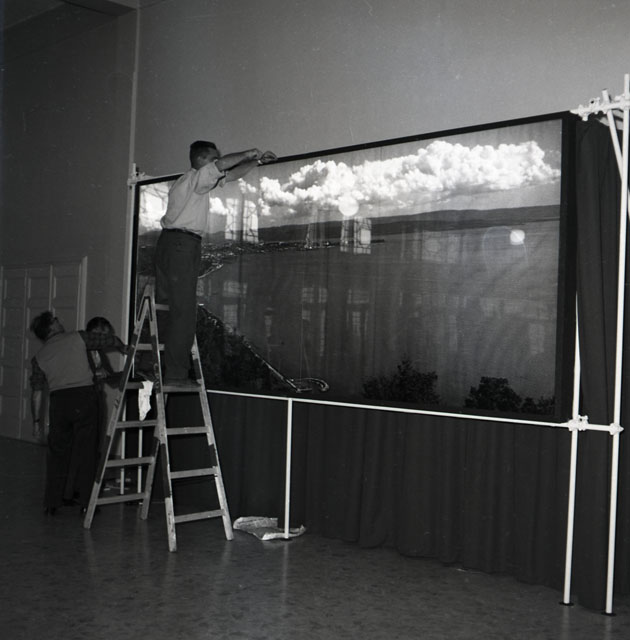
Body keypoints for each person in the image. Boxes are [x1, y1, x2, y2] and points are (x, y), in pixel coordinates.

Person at [155, 140, 276, 386]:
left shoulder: (192, 183)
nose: (217, 163)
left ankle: (153, 365)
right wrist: (248, 153)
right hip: (182, 246)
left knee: (166, 308)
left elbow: (230, 176)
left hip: (169, 244)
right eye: (213, 159)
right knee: (183, 312)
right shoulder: (195, 179)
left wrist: (256, 162)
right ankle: (176, 375)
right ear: (201, 160)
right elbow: (222, 167)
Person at [29, 311, 127, 515]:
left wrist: (36, 421)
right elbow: (107, 340)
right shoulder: (77, 337)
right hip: (84, 398)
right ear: (51, 326)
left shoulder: (39, 357)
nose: (59, 321)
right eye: (56, 320)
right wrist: (123, 347)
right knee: (87, 451)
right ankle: (85, 502)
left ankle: (52, 502)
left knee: (57, 453)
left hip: (59, 403)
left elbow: (37, 392)